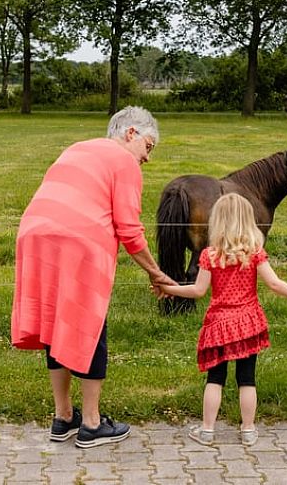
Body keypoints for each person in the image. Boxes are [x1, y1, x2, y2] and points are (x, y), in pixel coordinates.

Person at [11, 106, 176, 449]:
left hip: (34, 235)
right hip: (77, 242)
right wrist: (157, 274)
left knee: (57, 327)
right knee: (89, 326)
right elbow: (129, 229)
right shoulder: (124, 161)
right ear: (131, 133)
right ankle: (91, 424)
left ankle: (63, 417)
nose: (147, 158)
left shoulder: (77, 147)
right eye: (148, 147)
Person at [156, 192, 287, 447]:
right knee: (247, 379)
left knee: (215, 379)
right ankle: (248, 430)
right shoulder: (254, 252)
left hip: (219, 325)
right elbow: (274, 283)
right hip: (248, 322)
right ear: (248, 221)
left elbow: (197, 291)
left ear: (217, 222)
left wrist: (169, 289)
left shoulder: (210, 255)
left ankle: (207, 430)